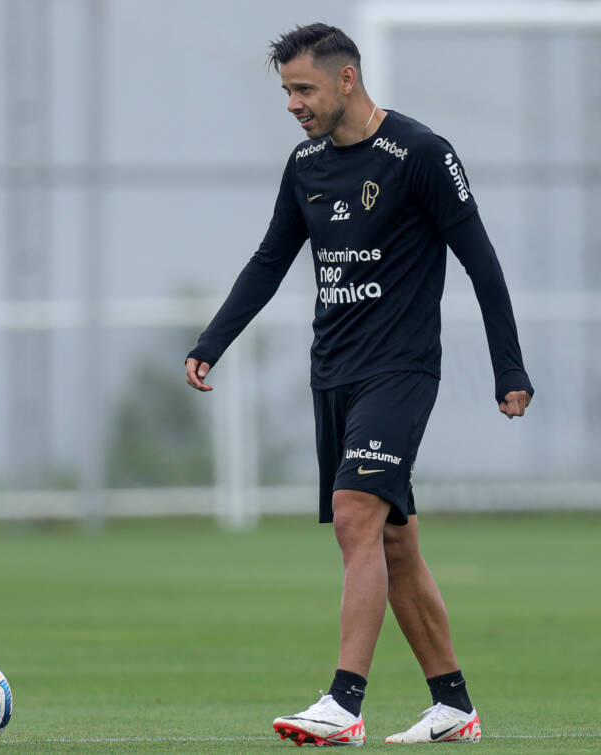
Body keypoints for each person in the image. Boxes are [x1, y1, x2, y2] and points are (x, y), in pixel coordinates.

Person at [185, 23, 532, 746]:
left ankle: (344, 702)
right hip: (333, 372)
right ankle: (454, 706)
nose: (292, 104)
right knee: (394, 542)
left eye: (303, 88)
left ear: (347, 79)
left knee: (354, 514)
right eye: (286, 91)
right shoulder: (305, 164)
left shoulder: (421, 154)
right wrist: (211, 343)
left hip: (400, 369)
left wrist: (510, 367)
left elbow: (483, 262)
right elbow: (268, 261)